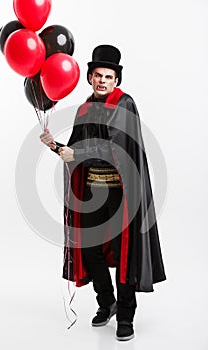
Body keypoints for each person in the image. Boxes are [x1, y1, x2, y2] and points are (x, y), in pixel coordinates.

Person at [40, 45, 166, 341]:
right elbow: (74, 148)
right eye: (98, 76)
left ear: (116, 81)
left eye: (108, 77)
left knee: (124, 254)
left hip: (122, 192)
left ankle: (125, 316)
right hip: (91, 191)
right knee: (90, 249)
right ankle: (105, 302)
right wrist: (55, 146)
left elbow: (116, 149)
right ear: (89, 78)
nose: (102, 81)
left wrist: (77, 152)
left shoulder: (125, 104)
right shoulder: (84, 108)